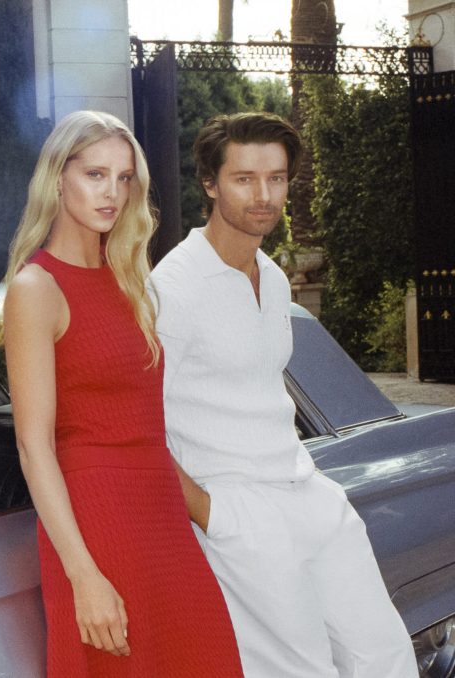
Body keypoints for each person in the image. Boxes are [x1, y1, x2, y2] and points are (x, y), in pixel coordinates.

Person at [149, 111, 417, 678]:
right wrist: (213, 514)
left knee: (385, 656)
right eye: (244, 179)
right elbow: (138, 425)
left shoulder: (271, 276)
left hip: (307, 491)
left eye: (276, 178)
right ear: (210, 184)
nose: (264, 195)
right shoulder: (172, 288)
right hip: (238, 508)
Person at [0, 110, 243, 677]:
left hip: (160, 511)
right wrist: (83, 575)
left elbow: (146, 419)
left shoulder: (129, 278)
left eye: (124, 178)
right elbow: (34, 448)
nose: (112, 192)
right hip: (96, 520)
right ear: (57, 178)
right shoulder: (36, 288)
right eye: (95, 174)